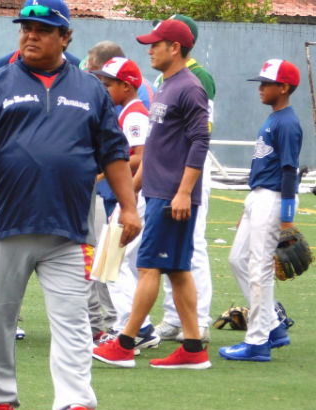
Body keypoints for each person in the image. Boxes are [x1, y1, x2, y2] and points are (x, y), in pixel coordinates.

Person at [0, 0, 141, 410]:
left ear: (66, 36)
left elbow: (113, 151)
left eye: (42, 28)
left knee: (73, 321)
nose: (30, 35)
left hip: (68, 228)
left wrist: (128, 207)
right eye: (26, 28)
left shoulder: (90, 90)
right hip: (4, 224)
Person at [93, 19, 211, 369]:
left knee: (147, 266)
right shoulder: (167, 85)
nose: (149, 49)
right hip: (158, 191)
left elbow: (200, 141)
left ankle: (126, 343)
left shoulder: (189, 87)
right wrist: (133, 190)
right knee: (176, 270)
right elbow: (157, 148)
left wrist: (184, 192)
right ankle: (192, 349)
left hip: (171, 196)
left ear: (174, 48)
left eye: (156, 44)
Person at [220, 59, 302, 362]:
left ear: (283, 87)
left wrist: (287, 219)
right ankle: (273, 325)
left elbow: (290, 170)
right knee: (237, 259)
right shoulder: (274, 118)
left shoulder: (288, 122)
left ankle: (257, 343)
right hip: (258, 197)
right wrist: (248, 206)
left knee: (259, 270)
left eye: (266, 84)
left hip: (273, 198)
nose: (261, 88)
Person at [153, 14, 215, 344]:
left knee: (194, 245)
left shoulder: (197, 77)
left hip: (187, 173)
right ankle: (174, 317)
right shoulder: (170, 78)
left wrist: (185, 186)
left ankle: (198, 320)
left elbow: (201, 135)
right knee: (167, 251)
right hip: (168, 175)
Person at [91, 57, 158, 352]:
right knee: (122, 262)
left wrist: (104, 169)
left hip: (136, 194)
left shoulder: (134, 115)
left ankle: (133, 327)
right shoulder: (127, 111)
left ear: (127, 86)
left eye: (108, 84)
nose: (104, 90)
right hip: (134, 194)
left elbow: (141, 156)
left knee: (110, 261)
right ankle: (138, 326)